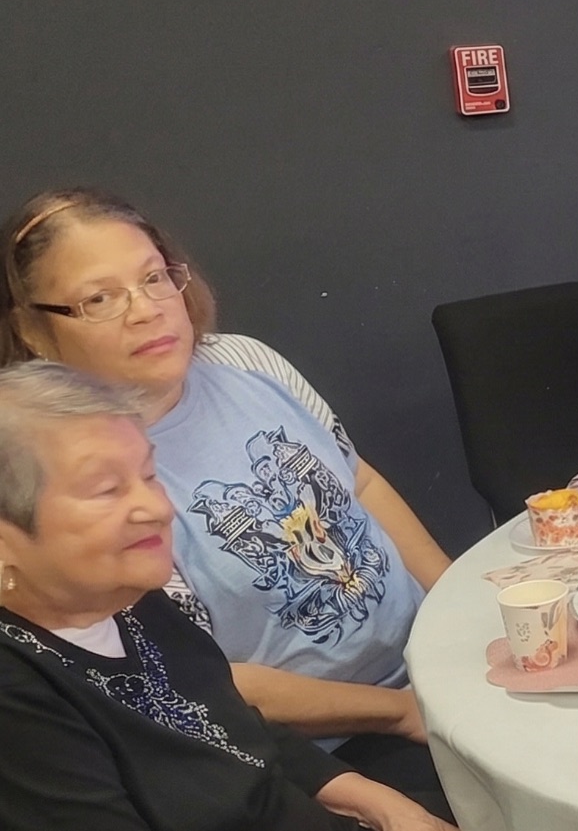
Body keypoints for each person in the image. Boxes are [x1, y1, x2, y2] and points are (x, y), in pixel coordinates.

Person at [0, 362, 551, 831]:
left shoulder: (124, 598)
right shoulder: (18, 702)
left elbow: (235, 726)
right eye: (105, 491)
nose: (156, 507)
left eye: (147, 475)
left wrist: (387, 809)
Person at [0, 189, 447, 795]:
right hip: (331, 753)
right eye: (99, 299)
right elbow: (209, 678)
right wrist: (399, 713)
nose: (145, 310)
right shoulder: (83, 479)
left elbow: (359, 481)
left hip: (433, 665)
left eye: (154, 278)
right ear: (33, 329)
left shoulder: (247, 360)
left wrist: (460, 605)